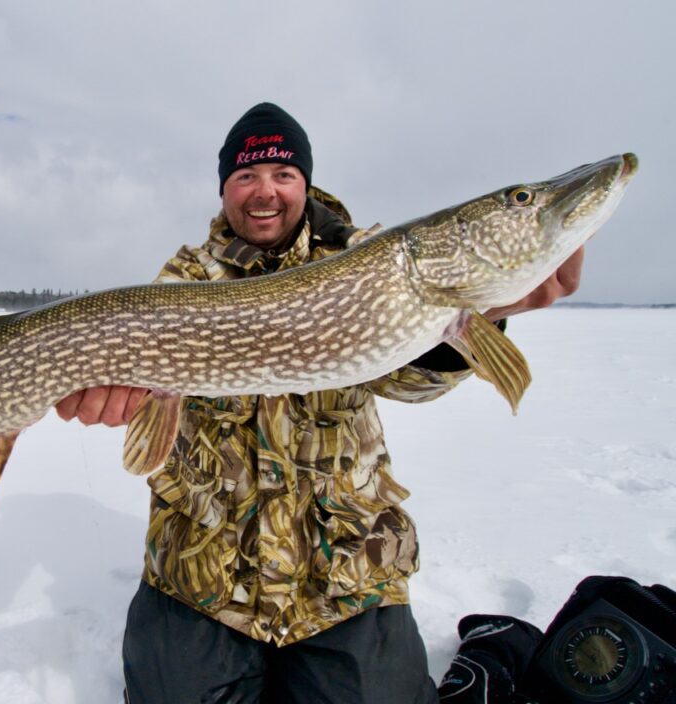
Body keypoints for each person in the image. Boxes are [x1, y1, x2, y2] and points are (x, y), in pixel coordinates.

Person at [55, 103, 583, 703]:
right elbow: (145, 394)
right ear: (225, 188)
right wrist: (124, 400)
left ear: (305, 184)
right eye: (246, 176)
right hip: (203, 570)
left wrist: (485, 316)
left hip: (344, 567)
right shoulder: (184, 280)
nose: (265, 192)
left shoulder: (367, 261)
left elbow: (407, 383)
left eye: (284, 175)